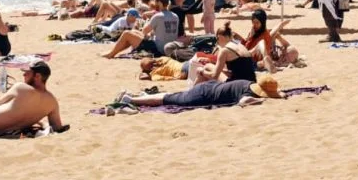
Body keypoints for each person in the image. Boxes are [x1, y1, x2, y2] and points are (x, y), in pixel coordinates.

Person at [0, 60, 66, 136]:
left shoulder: (20, 87)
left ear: (37, 76)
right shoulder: (52, 102)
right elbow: (57, 127)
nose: (24, 74)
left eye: (27, 72)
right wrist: (39, 121)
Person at [117, 74, 285, 109]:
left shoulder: (247, 83)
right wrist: (262, 101)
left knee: (173, 96)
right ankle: (132, 99)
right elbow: (243, 103)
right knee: (168, 99)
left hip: (209, 85)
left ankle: (141, 96)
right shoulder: (249, 95)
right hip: (204, 96)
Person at [102, 0, 178, 59]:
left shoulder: (158, 16)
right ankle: (114, 51)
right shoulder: (175, 16)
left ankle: (111, 54)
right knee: (133, 32)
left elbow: (144, 31)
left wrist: (147, 21)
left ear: (160, 3)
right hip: (169, 48)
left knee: (126, 33)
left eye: (156, 2)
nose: (155, 4)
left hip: (157, 49)